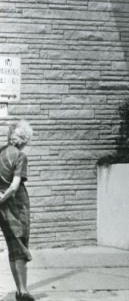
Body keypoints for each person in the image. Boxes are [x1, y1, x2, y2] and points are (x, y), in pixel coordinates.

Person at [0, 120, 34, 301]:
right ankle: (23, 292)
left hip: (2, 210)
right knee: (19, 248)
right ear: (23, 139)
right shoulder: (20, 156)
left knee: (13, 248)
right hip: (16, 207)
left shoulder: (1, 152)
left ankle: (21, 290)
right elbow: (14, 187)